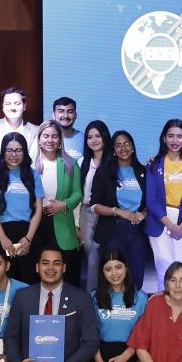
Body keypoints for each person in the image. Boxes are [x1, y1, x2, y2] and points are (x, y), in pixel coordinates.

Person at [145, 119, 182, 294]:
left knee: (178, 267)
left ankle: (178, 307)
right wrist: (170, 225)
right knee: (163, 266)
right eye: (171, 136)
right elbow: (151, 199)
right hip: (160, 220)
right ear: (164, 138)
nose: (175, 140)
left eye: (179, 136)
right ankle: (163, 307)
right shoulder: (154, 164)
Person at [90, 131, 150, 290]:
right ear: (113, 150)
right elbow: (94, 205)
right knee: (113, 279)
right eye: (118, 145)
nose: (123, 148)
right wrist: (117, 211)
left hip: (137, 233)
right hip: (112, 232)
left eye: (127, 143)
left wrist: (143, 214)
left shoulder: (143, 171)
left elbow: (151, 203)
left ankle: (134, 311)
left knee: (136, 277)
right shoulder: (104, 172)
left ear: (133, 147)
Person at [0, 133, 47, 284]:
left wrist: (28, 238)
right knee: (4, 280)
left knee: (28, 280)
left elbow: (38, 209)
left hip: (28, 235)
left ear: (25, 152)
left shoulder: (34, 175)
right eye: (9, 150)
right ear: (3, 152)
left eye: (18, 150)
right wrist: (2, 238)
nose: (14, 155)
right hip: (1, 234)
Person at [34, 120, 84, 279]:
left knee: (67, 273)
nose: (50, 140)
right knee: (40, 272)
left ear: (60, 140)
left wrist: (64, 204)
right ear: (39, 139)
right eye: (46, 136)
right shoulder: (30, 164)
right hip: (36, 224)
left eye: (55, 136)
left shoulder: (70, 164)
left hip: (62, 222)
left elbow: (78, 194)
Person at [76, 121, 111, 292]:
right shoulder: (83, 161)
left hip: (108, 214)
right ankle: (92, 298)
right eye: (90, 137)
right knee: (91, 259)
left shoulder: (114, 161)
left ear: (105, 136)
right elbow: (77, 193)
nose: (94, 140)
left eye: (98, 135)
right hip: (86, 213)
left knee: (106, 259)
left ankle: (107, 295)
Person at [0, 86, 40, 155]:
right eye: (8, 104)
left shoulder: (36, 131)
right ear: (3, 107)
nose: (13, 108)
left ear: (24, 106)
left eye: (17, 104)